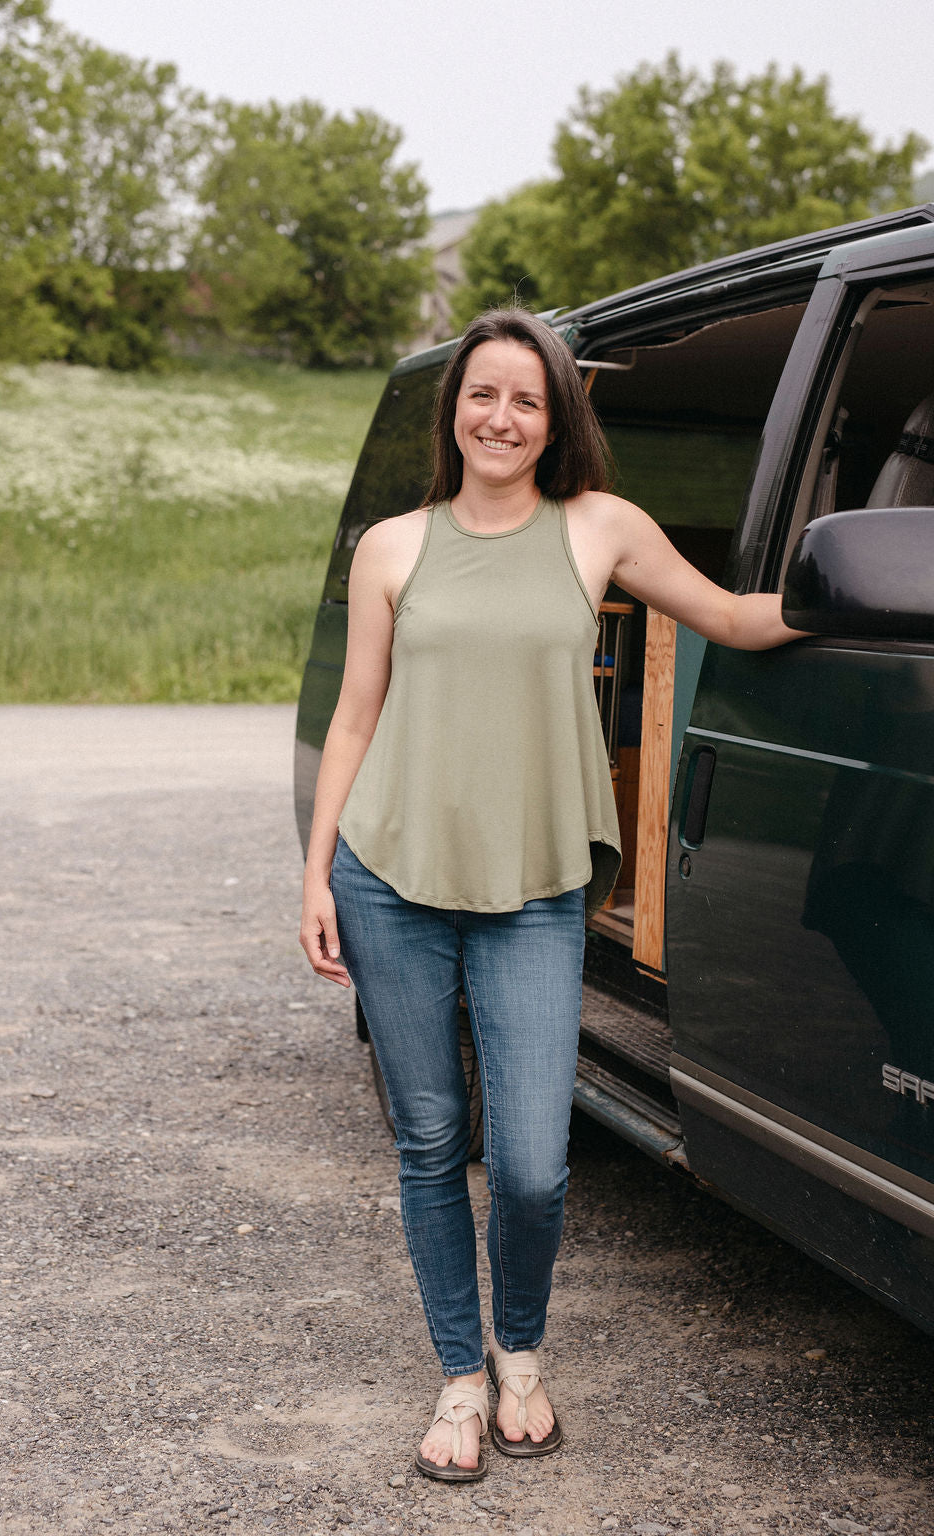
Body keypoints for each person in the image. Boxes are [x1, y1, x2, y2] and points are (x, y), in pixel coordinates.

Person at [299, 308, 804, 1482]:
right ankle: (461, 1381)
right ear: (454, 408)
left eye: (528, 399)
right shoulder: (393, 546)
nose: (502, 416)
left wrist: (849, 606)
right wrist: (315, 873)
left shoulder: (596, 529)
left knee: (529, 1159)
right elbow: (355, 717)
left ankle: (520, 1350)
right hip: (390, 879)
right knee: (433, 1142)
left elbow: (728, 618)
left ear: (555, 419)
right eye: (484, 394)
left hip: (534, 888)